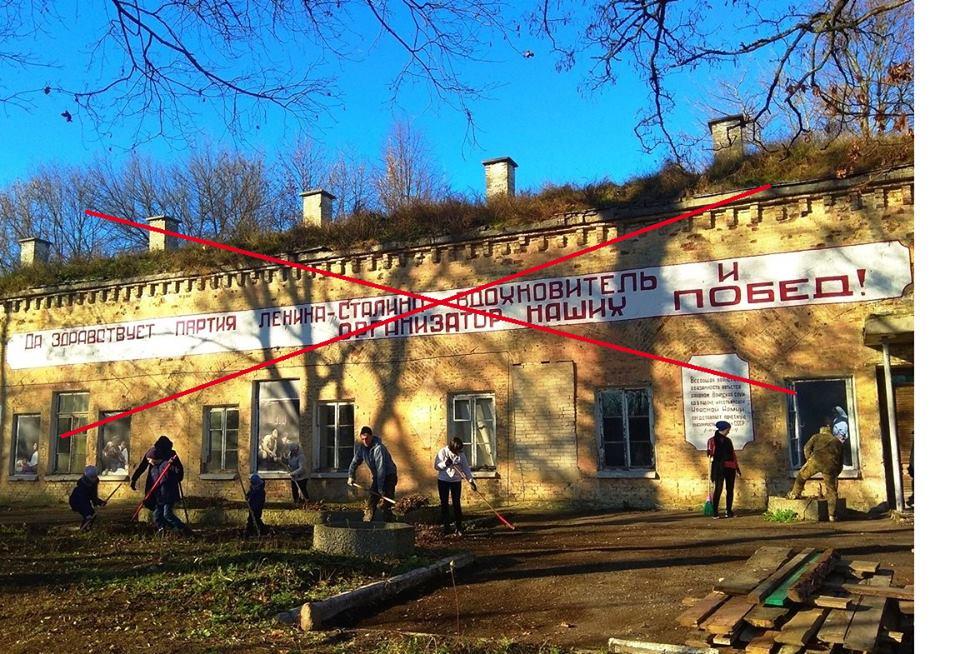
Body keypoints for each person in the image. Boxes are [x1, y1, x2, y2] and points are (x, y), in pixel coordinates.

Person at [786, 415, 844, 521]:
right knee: (831, 490)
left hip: (816, 461)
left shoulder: (816, 437)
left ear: (821, 431)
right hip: (831, 466)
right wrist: (837, 471)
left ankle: (795, 494)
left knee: (801, 477)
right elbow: (841, 460)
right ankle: (832, 515)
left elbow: (806, 448)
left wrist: (809, 458)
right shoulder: (837, 442)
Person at [347, 426, 398, 522]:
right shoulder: (362, 449)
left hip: (389, 476)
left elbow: (381, 469)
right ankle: (367, 522)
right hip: (378, 476)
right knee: (371, 501)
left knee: (387, 502)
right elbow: (354, 462)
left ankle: (390, 523)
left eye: (366, 438)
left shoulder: (378, 448)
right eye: (362, 439)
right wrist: (351, 476)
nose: (365, 441)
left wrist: (380, 489)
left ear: (371, 436)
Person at [145, 435, 190, 535]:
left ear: (155, 458)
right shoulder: (153, 468)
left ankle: (182, 528)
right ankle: (162, 530)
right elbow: (151, 482)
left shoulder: (167, 463)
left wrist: (173, 467)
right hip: (159, 495)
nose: (149, 461)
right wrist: (148, 495)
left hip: (169, 494)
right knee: (157, 515)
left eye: (150, 459)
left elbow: (179, 473)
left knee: (167, 514)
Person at [434, 437, 478, 536]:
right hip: (443, 481)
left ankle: (459, 527)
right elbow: (436, 466)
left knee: (456, 503)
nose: (458, 452)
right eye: (456, 450)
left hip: (456, 481)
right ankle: (446, 527)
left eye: (459, 450)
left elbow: (466, 469)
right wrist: (445, 463)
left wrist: (471, 481)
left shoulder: (461, 454)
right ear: (452, 448)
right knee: (444, 503)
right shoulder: (443, 452)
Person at [707, 420, 741, 519]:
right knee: (718, 489)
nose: (729, 432)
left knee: (730, 489)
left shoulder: (728, 440)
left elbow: (733, 455)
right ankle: (715, 512)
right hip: (718, 467)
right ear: (724, 429)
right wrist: (709, 453)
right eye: (728, 430)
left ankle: (728, 511)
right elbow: (710, 453)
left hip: (730, 467)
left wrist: (737, 468)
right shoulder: (712, 440)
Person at [69, 465, 105, 530]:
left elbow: (93, 496)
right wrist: (87, 514)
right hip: (76, 501)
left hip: (85, 501)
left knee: (93, 514)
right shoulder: (81, 487)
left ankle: (87, 528)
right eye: (92, 477)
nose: (94, 479)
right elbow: (82, 502)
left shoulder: (94, 483)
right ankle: (83, 528)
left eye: (95, 477)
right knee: (89, 514)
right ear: (87, 477)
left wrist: (100, 502)